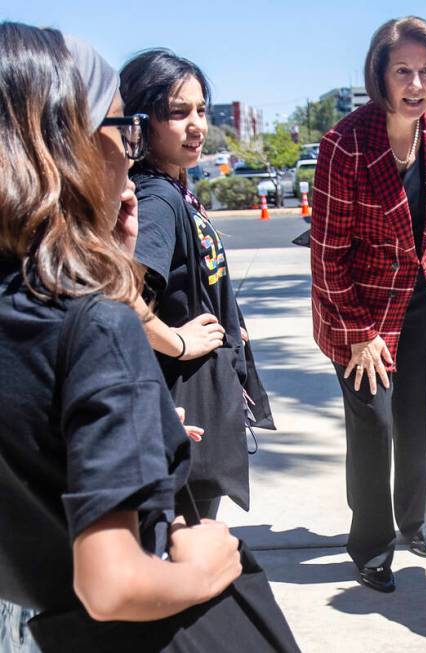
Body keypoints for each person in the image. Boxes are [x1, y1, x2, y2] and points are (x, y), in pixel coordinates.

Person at [0, 21, 241, 643]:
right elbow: (112, 585)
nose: (129, 148)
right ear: (63, 142)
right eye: (121, 126)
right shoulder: (93, 325)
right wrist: (204, 564)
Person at [310, 16, 426, 594]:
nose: (416, 84)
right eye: (403, 70)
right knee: (373, 423)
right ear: (380, 73)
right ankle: (371, 545)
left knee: (417, 417)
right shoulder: (345, 145)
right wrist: (359, 332)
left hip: (419, 298)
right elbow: (326, 257)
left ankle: (413, 518)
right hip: (359, 307)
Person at [120, 49, 272, 520]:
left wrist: (229, 322)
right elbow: (118, 295)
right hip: (180, 402)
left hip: (190, 399)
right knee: (187, 541)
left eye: (201, 110)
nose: (197, 125)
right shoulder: (158, 198)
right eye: (178, 112)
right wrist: (179, 342)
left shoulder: (173, 186)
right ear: (142, 121)